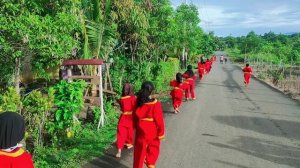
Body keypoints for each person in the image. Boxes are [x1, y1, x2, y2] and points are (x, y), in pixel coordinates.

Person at [133, 81, 165, 168]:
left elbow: (134, 117)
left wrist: (135, 127)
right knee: (154, 146)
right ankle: (150, 163)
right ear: (151, 91)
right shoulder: (155, 103)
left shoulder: (138, 102)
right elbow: (159, 120)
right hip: (152, 130)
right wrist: (161, 133)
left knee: (139, 150)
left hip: (140, 129)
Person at [116, 83, 137, 158]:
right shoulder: (133, 98)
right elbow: (135, 107)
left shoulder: (121, 99)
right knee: (130, 131)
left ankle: (119, 151)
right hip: (131, 117)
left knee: (120, 134)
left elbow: (122, 108)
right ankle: (129, 143)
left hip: (123, 117)